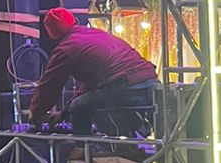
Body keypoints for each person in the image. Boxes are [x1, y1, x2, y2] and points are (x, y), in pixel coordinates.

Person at [29, 8, 158, 136]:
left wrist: (35, 112)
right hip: (150, 82)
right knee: (82, 103)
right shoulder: (96, 34)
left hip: (124, 87)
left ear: (52, 35)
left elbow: (50, 85)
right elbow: (89, 87)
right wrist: (64, 112)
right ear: (74, 21)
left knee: (78, 107)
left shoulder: (66, 48)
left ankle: (83, 146)